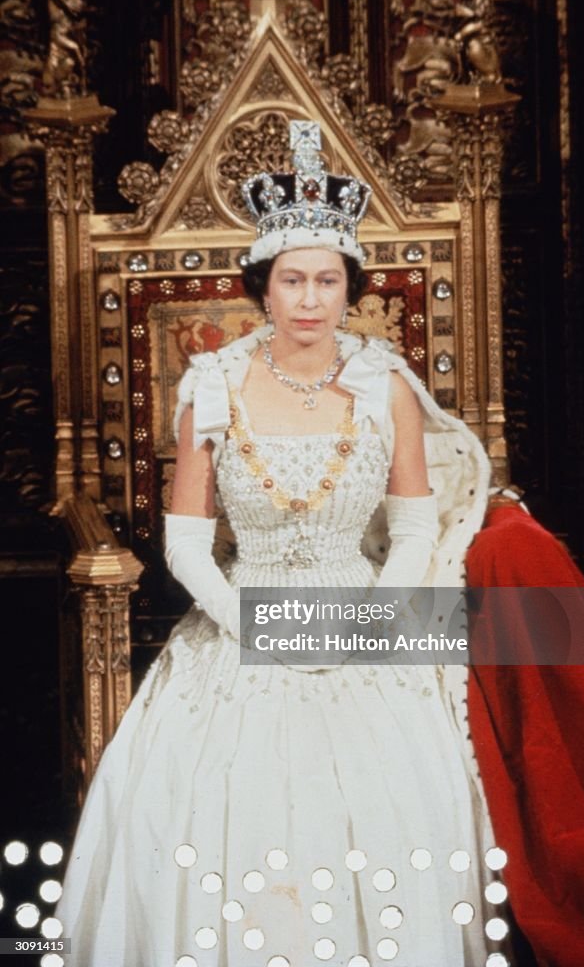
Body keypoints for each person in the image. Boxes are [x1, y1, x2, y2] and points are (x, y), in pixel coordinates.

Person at [56, 120, 505, 966]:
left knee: (393, 797)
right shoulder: (212, 386)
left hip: (362, 613)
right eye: (292, 280)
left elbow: (411, 527)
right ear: (262, 288)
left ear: (349, 288)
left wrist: (369, 625)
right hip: (242, 614)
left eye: (327, 281)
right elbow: (186, 545)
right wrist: (257, 628)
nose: (309, 299)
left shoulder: (387, 389)